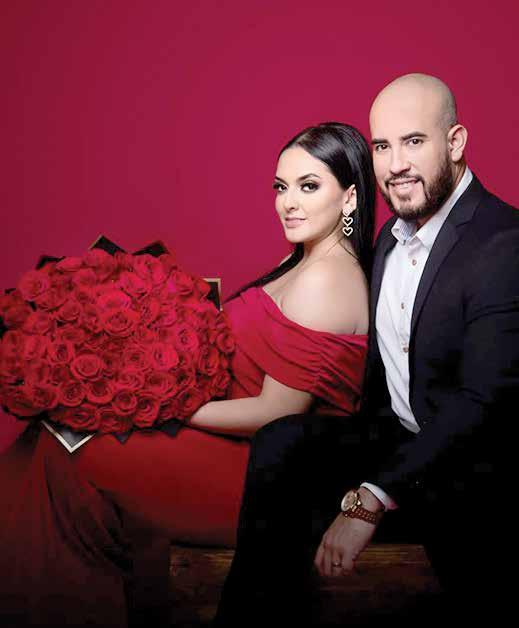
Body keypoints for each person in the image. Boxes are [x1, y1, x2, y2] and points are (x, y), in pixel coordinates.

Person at [0, 122, 375, 627]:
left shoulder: (327, 279)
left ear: (349, 197)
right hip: (228, 445)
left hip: (262, 479)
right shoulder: (305, 260)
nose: (288, 203)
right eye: (281, 186)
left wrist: (159, 405)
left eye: (309, 186)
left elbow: (277, 414)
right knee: (48, 442)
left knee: (69, 454)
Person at [213, 73, 519, 627]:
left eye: (414, 142)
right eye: (382, 146)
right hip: (395, 438)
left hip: (473, 464)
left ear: (455, 142)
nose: (396, 164)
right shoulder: (389, 242)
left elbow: (483, 405)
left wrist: (372, 497)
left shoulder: (503, 243)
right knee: (284, 442)